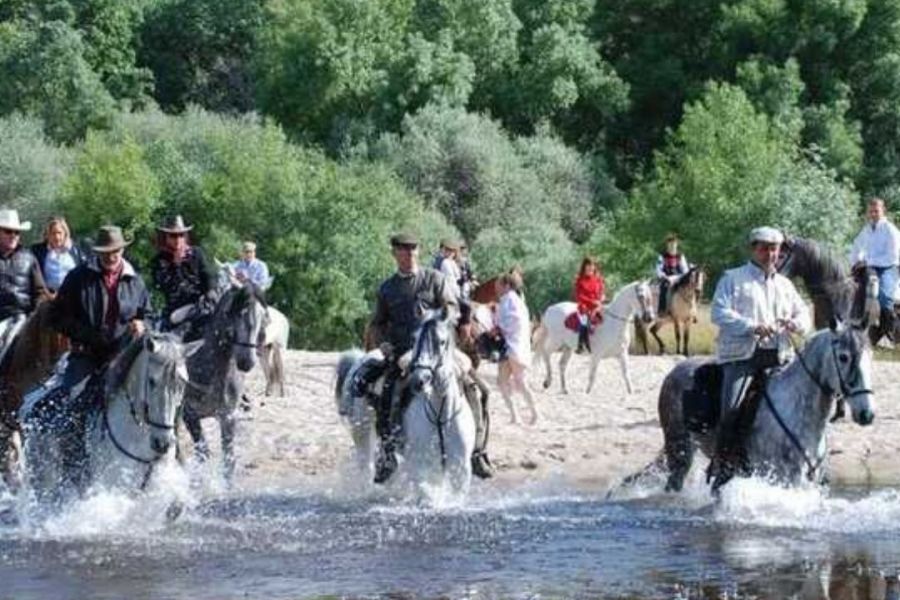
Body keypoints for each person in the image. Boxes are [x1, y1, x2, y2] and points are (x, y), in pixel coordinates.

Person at [709, 226, 811, 491]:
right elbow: (718, 313)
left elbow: (805, 317)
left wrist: (794, 323)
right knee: (731, 409)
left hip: (780, 358)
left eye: (774, 248)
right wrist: (752, 326)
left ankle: (813, 460)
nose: (770, 253)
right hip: (742, 358)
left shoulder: (786, 285)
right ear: (753, 249)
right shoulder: (732, 278)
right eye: (764, 247)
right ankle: (723, 464)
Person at [50, 225, 150, 492]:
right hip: (86, 355)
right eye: (106, 252)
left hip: (124, 356)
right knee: (71, 402)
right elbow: (56, 317)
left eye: (115, 250)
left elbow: (146, 314)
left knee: (153, 398)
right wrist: (91, 335)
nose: (111, 256)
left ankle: (157, 464)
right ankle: (74, 471)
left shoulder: (135, 281)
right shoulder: (78, 277)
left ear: (122, 249)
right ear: (98, 252)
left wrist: (142, 324)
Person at [352, 232, 458, 483]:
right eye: (403, 251)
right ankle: (388, 451)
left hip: (437, 349)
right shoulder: (387, 288)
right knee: (388, 391)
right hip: (401, 352)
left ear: (418, 252)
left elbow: (451, 307)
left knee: (475, 385)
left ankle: (478, 451)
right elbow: (377, 323)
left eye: (412, 250)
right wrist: (383, 344)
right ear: (394, 254)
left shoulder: (435, 279)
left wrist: (440, 320)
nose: (408, 255)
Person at [150, 215, 216, 340]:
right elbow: (162, 285)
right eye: (173, 236)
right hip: (177, 307)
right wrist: (176, 265)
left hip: (202, 302)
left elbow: (208, 274)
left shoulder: (197, 253)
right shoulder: (159, 260)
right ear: (166, 237)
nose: (178, 239)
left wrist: (210, 289)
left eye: (181, 235)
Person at [0, 208, 47, 365]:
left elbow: (40, 291)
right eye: (8, 231)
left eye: (17, 232)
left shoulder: (28, 257)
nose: (13, 235)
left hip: (23, 317)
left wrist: (35, 314)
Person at [848, 198, 900, 339]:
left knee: (884, 296)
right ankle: (854, 322)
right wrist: (855, 262)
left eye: (876, 211)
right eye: (871, 211)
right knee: (849, 288)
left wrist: (867, 261)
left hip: (888, 267)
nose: (873, 214)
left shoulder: (890, 230)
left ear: (883, 211)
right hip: (869, 267)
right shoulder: (867, 229)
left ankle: (888, 329)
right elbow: (856, 247)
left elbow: (892, 256)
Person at [495, 270, 538, 425]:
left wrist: (498, 328)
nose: (496, 287)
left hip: (511, 346)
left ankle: (532, 413)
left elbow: (511, 322)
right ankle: (518, 415)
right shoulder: (515, 300)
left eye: (498, 284)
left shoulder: (509, 300)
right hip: (513, 345)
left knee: (517, 382)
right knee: (504, 381)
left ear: (506, 285)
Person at [30, 216, 85, 295]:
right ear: (48, 234)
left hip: (71, 295)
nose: (57, 237)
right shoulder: (38, 251)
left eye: (59, 233)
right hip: (47, 296)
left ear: (65, 233)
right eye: (53, 233)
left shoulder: (76, 251)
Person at [573, 256, 605, 353]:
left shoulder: (598, 279)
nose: (591, 267)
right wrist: (592, 302)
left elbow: (601, 291)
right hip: (584, 305)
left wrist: (602, 298)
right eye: (588, 265)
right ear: (584, 266)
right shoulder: (580, 280)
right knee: (584, 320)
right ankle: (581, 345)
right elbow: (579, 296)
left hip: (598, 305)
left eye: (592, 265)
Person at [656, 233, 690, 315]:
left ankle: (691, 311)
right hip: (666, 278)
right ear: (667, 245)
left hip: (679, 278)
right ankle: (662, 310)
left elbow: (685, 270)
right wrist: (666, 277)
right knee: (663, 289)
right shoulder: (662, 256)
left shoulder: (680, 256)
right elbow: (658, 270)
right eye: (670, 244)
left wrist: (677, 278)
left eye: (674, 244)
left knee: (690, 288)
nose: (672, 246)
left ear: (676, 245)